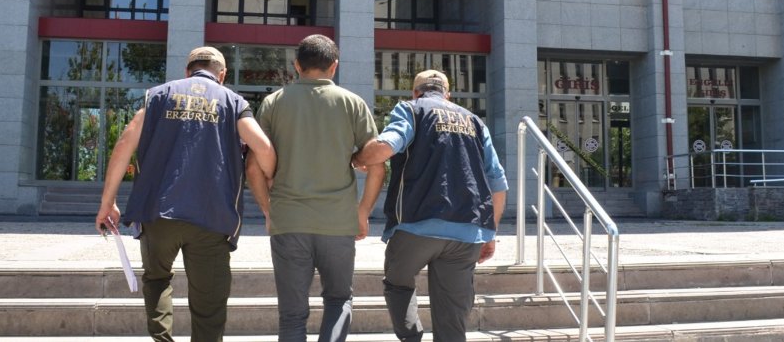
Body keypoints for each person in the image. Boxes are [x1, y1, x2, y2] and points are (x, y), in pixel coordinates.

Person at [96, 46, 276, 342]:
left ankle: (162, 339)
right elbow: (264, 149)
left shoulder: (156, 96)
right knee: (210, 303)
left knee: (156, 280)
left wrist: (108, 203)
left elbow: (125, 145)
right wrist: (269, 181)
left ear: (187, 71)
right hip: (212, 217)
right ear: (222, 74)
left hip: (158, 213)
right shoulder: (233, 102)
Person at [352, 69, 508, 342]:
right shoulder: (475, 122)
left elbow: (385, 148)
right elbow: (497, 182)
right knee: (452, 320)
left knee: (398, 282)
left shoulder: (411, 110)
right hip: (467, 232)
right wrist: (490, 233)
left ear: (415, 92)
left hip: (416, 225)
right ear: (448, 95)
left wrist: (357, 157)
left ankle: (412, 337)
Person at [247, 34, 384, 342]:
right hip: (337, 223)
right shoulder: (353, 103)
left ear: (297, 66)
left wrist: (269, 210)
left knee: (292, 314)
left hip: (289, 221)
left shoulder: (273, 103)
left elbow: (254, 166)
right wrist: (362, 212)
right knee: (338, 300)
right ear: (334, 67)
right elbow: (377, 163)